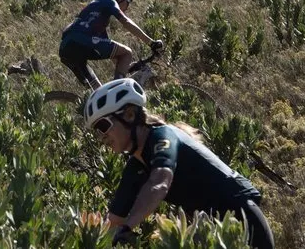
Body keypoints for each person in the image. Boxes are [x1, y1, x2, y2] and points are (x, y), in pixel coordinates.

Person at [84, 78, 275, 248]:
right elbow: (113, 223)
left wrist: (128, 226)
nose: (101, 137)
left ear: (130, 115)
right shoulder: (135, 167)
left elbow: (159, 184)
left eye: (103, 126)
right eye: (96, 131)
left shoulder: (163, 136)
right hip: (210, 231)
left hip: (242, 219)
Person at [59, 0, 163, 89]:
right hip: (81, 41)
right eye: (127, 3)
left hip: (66, 48)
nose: (127, 8)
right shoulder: (109, 0)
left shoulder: (96, 16)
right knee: (127, 52)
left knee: (98, 92)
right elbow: (126, 22)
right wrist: (151, 43)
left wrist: (131, 66)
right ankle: (119, 91)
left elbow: (114, 56)